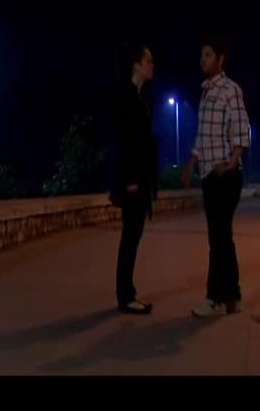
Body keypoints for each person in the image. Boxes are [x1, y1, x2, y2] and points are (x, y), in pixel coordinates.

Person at [182, 37, 250, 317]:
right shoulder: (206, 93)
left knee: (219, 235)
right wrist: (191, 162)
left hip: (226, 175)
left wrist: (232, 161)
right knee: (221, 236)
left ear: (220, 59)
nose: (203, 60)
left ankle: (214, 298)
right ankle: (232, 295)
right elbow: (202, 135)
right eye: (201, 55)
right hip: (209, 174)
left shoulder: (230, 90)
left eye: (208, 55)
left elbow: (241, 128)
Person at [109, 41, 157, 315]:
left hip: (141, 178)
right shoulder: (124, 96)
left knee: (133, 236)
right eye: (148, 60)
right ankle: (126, 296)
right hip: (131, 181)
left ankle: (127, 292)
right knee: (130, 236)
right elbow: (122, 141)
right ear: (136, 64)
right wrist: (129, 179)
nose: (152, 65)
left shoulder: (142, 98)